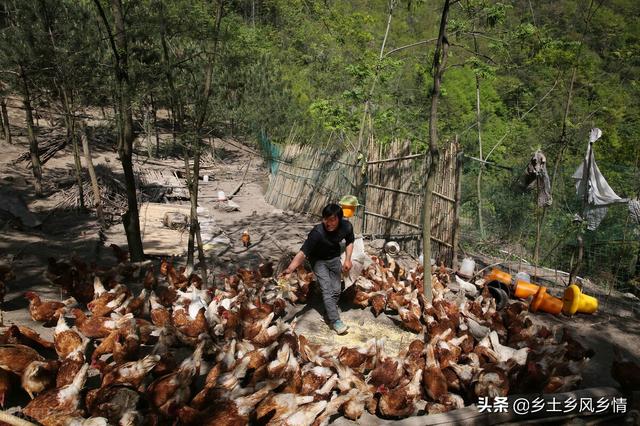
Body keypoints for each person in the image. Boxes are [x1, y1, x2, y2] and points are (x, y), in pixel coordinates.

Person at [282, 203, 354, 334]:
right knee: (327, 289)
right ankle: (336, 321)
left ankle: (329, 311)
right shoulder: (317, 233)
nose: (328, 223)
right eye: (325, 219)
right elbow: (303, 253)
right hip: (318, 261)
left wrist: (348, 259)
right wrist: (290, 269)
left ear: (339, 219)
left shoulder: (346, 227)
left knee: (337, 290)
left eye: (332, 220)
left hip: (334, 259)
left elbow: (350, 241)